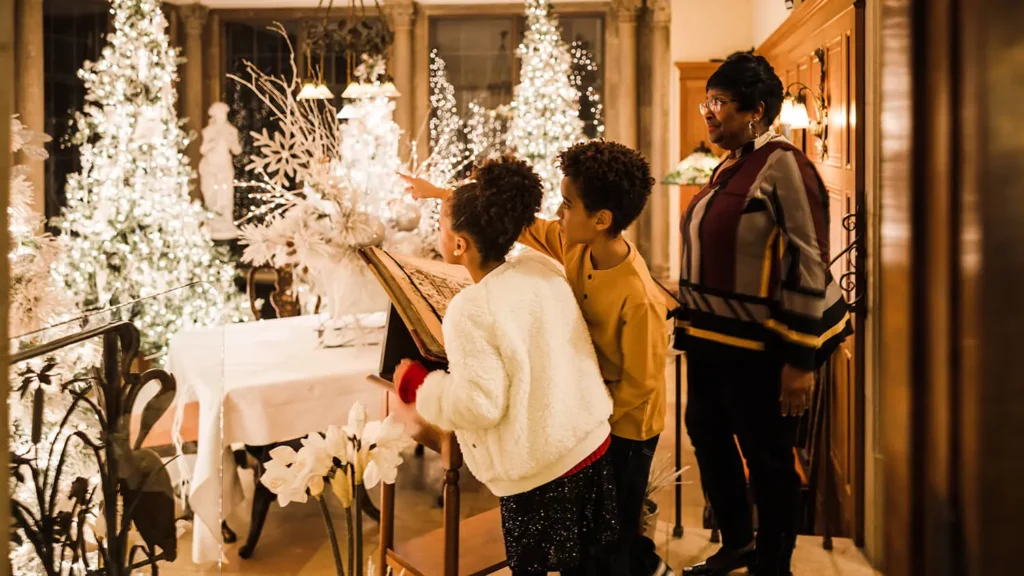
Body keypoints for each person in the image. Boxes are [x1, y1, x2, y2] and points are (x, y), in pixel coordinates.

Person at [400, 140, 671, 576]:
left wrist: (577, 416)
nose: (558, 215)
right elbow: (516, 221)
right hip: (587, 414)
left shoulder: (639, 299)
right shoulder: (574, 245)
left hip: (626, 429)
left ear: (601, 219)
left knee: (612, 543)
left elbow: (642, 385)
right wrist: (443, 195)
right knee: (589, 546)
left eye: (567, 205)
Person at [674, 53, 853, 576]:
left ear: (755, 111)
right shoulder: (731, 162)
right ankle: (737, 543)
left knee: (768, 457)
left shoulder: (784, 164)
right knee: (706, 435)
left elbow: (810, 257)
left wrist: (800, 360)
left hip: (759, 348)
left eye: (719, 103)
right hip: (711, 340)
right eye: (707, 100)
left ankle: (773, 565)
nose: (708, 112)